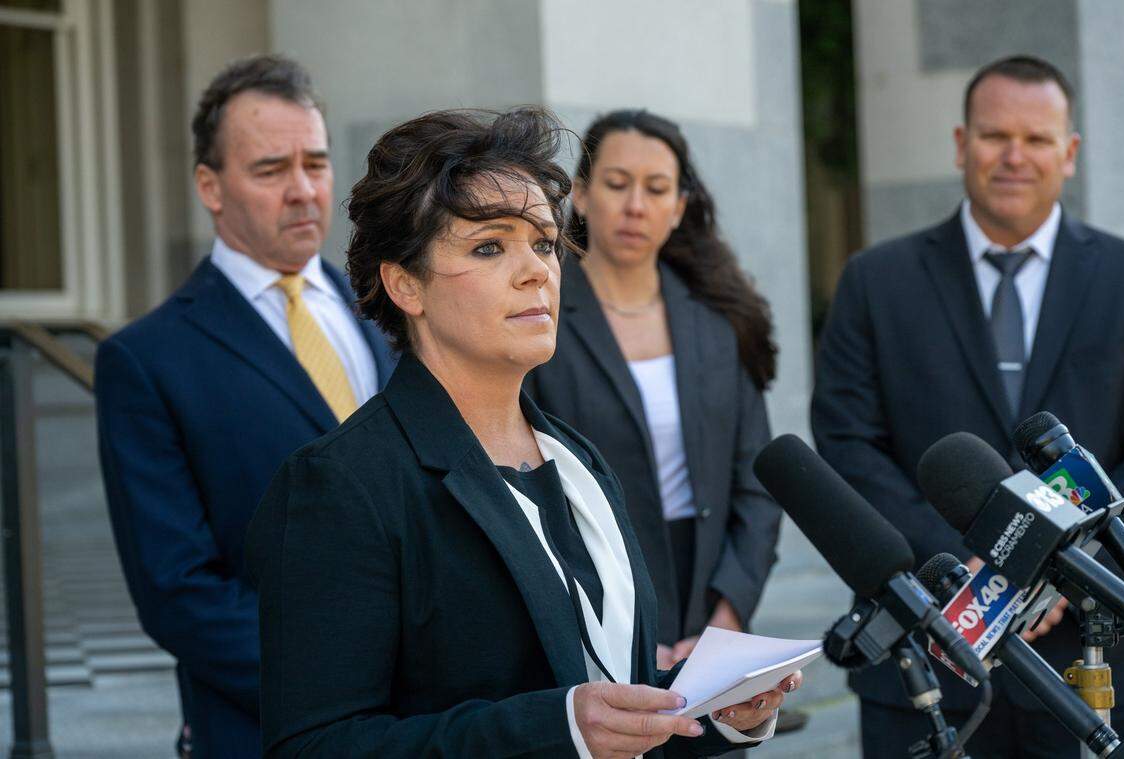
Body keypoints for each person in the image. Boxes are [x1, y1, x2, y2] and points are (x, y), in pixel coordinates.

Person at [245, 107, 802, 758]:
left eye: (542, 241)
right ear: (404, 284)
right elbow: (315, 745)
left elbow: (610, 696)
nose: (537, 269)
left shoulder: (578, 462)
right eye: (489, 246)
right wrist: (558, 729)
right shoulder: (342, 482)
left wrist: (715, 707)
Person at [813, 54, 1124, 757]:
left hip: (1093, 657)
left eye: (1037, 138)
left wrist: (1058, 563)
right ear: (962, 144)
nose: (1014, 156)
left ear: (1070, 153)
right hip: (926, 657)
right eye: (995, 136)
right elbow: (847, 443)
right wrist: (971, 572)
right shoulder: (876, 280)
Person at [95, 55, 396, 757]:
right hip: (268, 729)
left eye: (316, 164)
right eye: (270, 170)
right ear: (211, 185)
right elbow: (179, 592)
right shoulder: (146, 359)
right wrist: (342, 683)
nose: (303, 191)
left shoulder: (391, 311)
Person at [526, 110, 782, 673]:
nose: (635, 205)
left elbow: (757, 484)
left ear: (679, 207)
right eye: (617, 185)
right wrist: (614, 621)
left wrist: (729, 616)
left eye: (656, 188)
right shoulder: (540, 316)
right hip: (592, 589)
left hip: (708, 580)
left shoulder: (717, 321)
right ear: (584, 196)